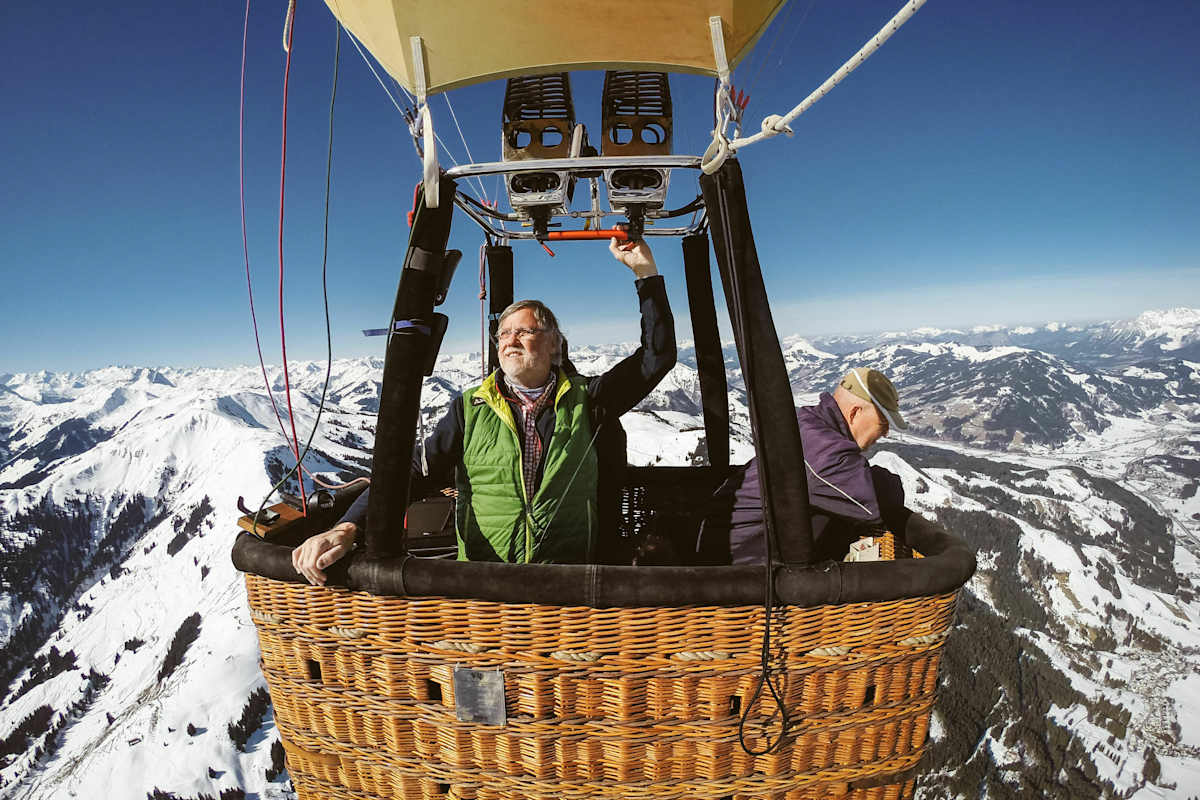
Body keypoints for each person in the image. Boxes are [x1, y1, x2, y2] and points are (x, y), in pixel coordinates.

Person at [293, 237, 675, 584]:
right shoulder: (469, 409)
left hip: (571, 583)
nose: (511, 340)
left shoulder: (589, 399)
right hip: (483, 585)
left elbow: (656, 357)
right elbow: (410, 473)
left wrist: (645, 272)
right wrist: (347, 526)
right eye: (504, 333)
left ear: (554, 343)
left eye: (525, 332)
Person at [696, 367, 910, 565]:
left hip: (730, 551)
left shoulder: (808, 422)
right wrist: (884, 480)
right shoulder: (825, 450)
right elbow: (877, 502)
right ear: (855, 413)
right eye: (883, 424)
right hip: (735, 569)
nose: (885, 433)